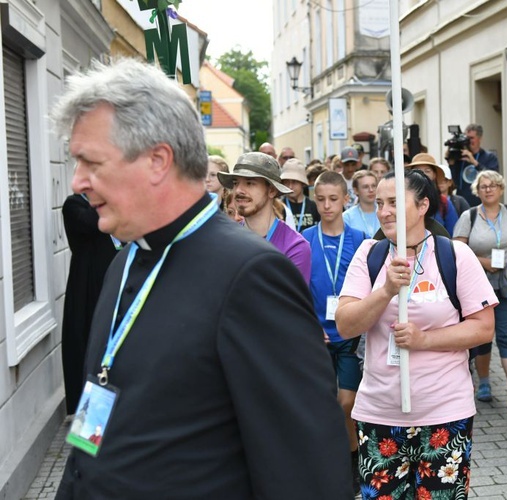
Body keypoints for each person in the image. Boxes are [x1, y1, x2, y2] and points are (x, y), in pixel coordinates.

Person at [51, 58, 351, 498]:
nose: (79, 182)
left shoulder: (252, 275)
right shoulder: (125, 260)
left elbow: (306, 472)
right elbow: (97, 410)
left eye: (90, 162)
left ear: (157, 160)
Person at [335, 169, 497, 498]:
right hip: (379, 413)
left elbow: (483, 327)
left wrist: (425, 341)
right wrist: (385, 291)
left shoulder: (454, 255)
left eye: (394, 202)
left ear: (423, 205)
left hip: (445, 412)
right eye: (379, 203)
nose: (384, 211)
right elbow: (345, 324)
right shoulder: (370, 254)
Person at [302, 171, 367, 494]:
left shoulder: (360, 239)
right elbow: (296, 290)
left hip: (350, 337)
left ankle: (353, 462)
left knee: (347, 403)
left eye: (333, 199)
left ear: (346, 199)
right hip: (317, 337)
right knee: (323, 405)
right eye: (321, 199)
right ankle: (328, 465)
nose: (327, 206)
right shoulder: (305, 240)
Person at [454, 171, 507, 406]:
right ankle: (484, 383)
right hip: (477, 284)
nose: (488, 189)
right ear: (477, 191)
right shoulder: (469, 216)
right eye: (483, 186)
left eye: (493, 185)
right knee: (481, 336)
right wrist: (485, 263)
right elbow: (458, 248)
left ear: (501, 189)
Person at [61, 194, 119, 415]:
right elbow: (92, 223)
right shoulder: (74, 205)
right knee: (89, 348)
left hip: (114, 283)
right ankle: (88, 413)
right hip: (86, 287)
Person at [219, 152, 312, 282]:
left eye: (249, 183)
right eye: (235, 183)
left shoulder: (295, 247)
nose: (239, 190)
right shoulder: (226, 242)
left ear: (272, 190)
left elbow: (288, 301)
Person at [446, 123, 499, 206]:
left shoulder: (489, 157)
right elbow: (453, 182)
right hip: (462, 205)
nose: (468, 141)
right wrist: (451, 163)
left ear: (480, 138)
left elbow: (494, 179)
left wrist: (475, 163)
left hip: (482, 204)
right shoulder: (461, 158)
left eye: (471, 138)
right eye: (467, 138)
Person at [406, 153, 459, 235]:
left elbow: (454, 233)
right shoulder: (401, 201)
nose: (422, 174)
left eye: (427, 171)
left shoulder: (444, 202)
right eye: (417, 171)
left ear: (434, 175)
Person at [281, 158, 320, 232]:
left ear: (302, 183)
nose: (290, 186)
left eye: (294, 182)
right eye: (286, 182)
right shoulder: (279, 207)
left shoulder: (314, 206)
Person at [343, 170, 379, 238]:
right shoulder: (347, 217)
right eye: (365, 187)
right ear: (356, 190)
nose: (371, 190)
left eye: (373, 186)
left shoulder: (385, 212)